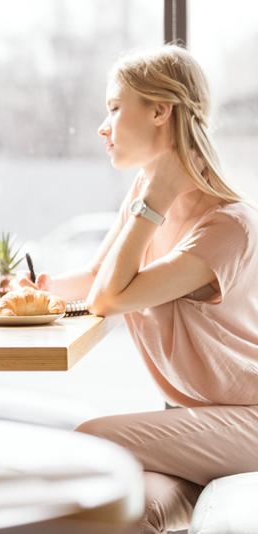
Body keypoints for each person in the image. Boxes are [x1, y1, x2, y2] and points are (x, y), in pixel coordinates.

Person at [19, 45, 258, 533]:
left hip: (248, 422)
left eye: (113, 107)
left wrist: (153, 200)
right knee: (133, 513)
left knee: (88, 440)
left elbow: (109, 298)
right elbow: (96, 278)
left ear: (158, 111)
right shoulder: (147, 196)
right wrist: (28, 289)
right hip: (200, 422)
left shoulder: (226, 227)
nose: (102, 127)